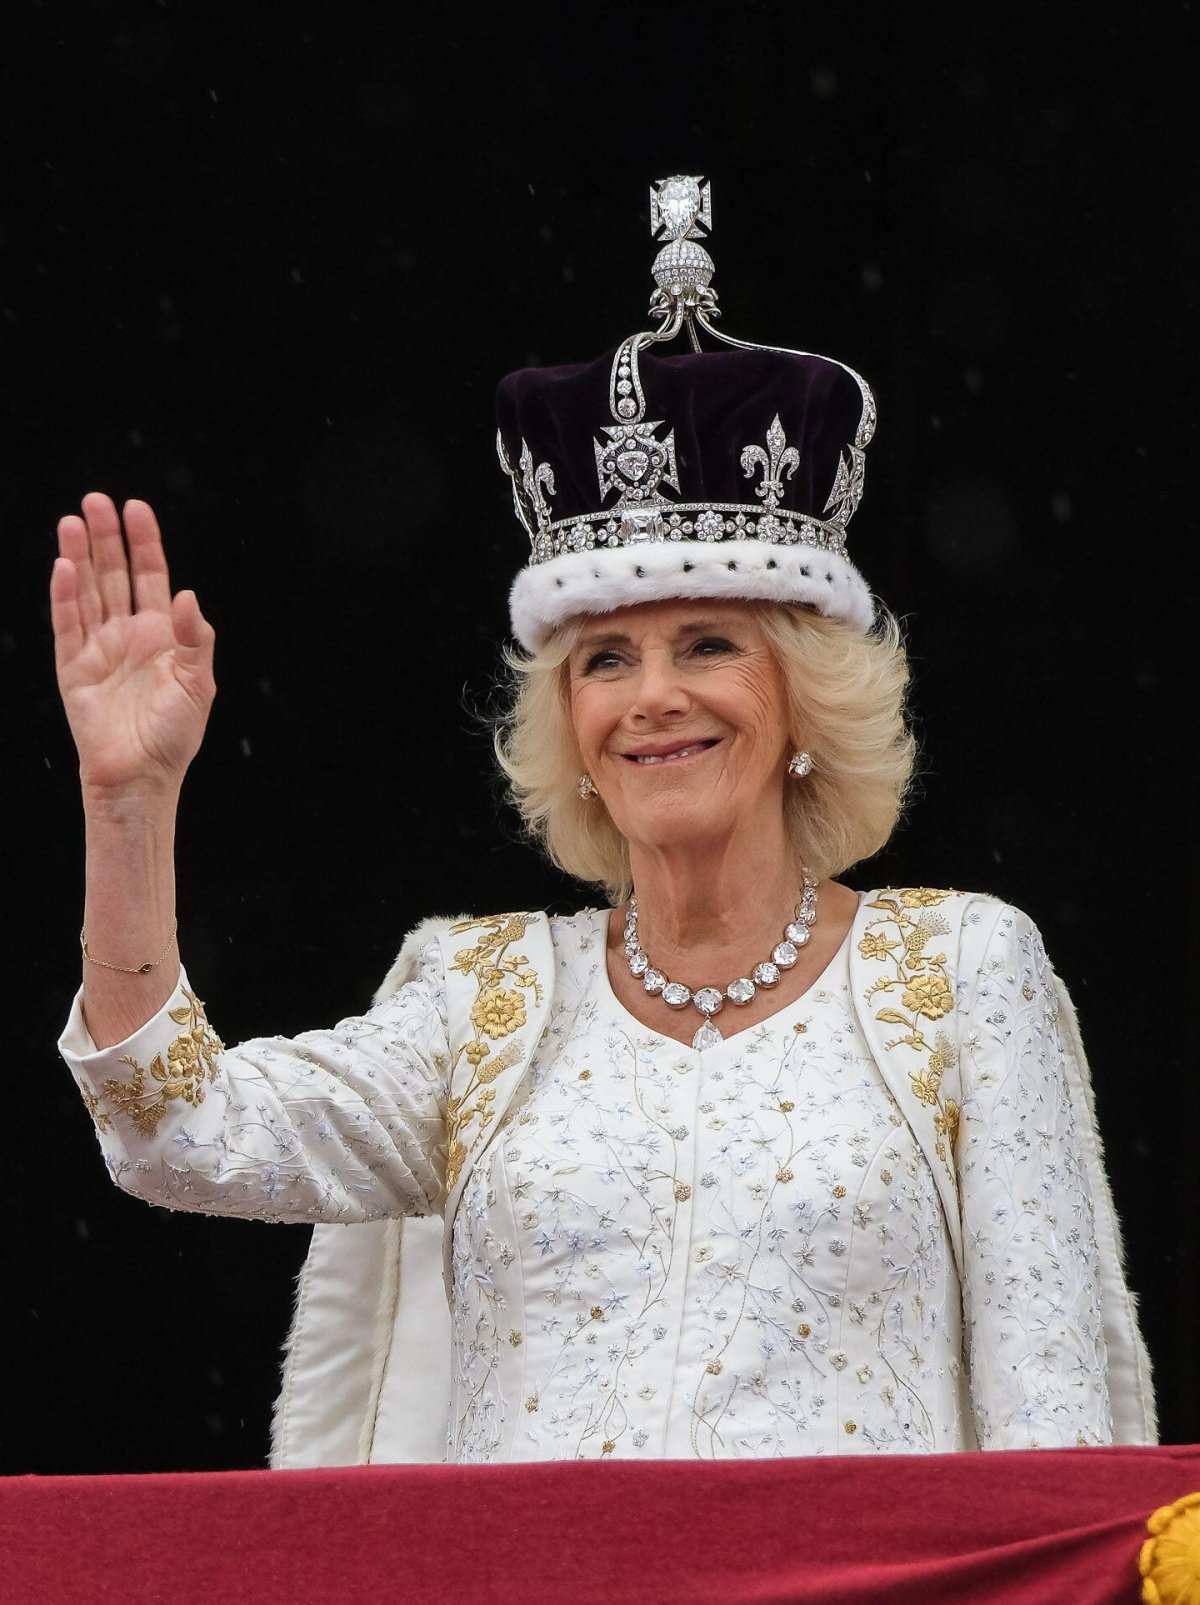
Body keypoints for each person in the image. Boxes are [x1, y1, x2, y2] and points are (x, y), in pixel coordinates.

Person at [54, 177, 1154, 1463]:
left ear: (805, 700)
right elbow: (175, 1134)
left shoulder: (966, 972)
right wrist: (125, 804)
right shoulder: (481, 999)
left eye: (708, 645)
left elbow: (1055, 1412)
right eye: (605, 661)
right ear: (568, 727)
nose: (656, 699)